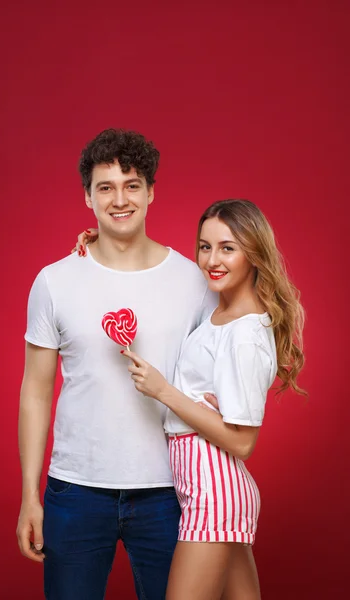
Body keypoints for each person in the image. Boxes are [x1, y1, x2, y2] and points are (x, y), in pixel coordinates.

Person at [16, 128, 218, 600]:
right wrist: (30, 494)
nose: (119, 199)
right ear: (88, 197)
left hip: (173, 489)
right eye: (105, 187)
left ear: (150, 192)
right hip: (75, 490)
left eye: (131, 185)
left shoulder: (192, 280)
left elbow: (214, 375)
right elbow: (35, 391)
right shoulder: (54, 281)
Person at [115, 199, 306, 599]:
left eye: (228, 248)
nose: (212, 260)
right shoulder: (219, 314)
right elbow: (163, 272)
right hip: (206, 483)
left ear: (253, 253)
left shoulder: (245, 334)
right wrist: (106, 242)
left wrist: (164, 390)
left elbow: (242, 442)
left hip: (213, 489)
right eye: (205, 246)